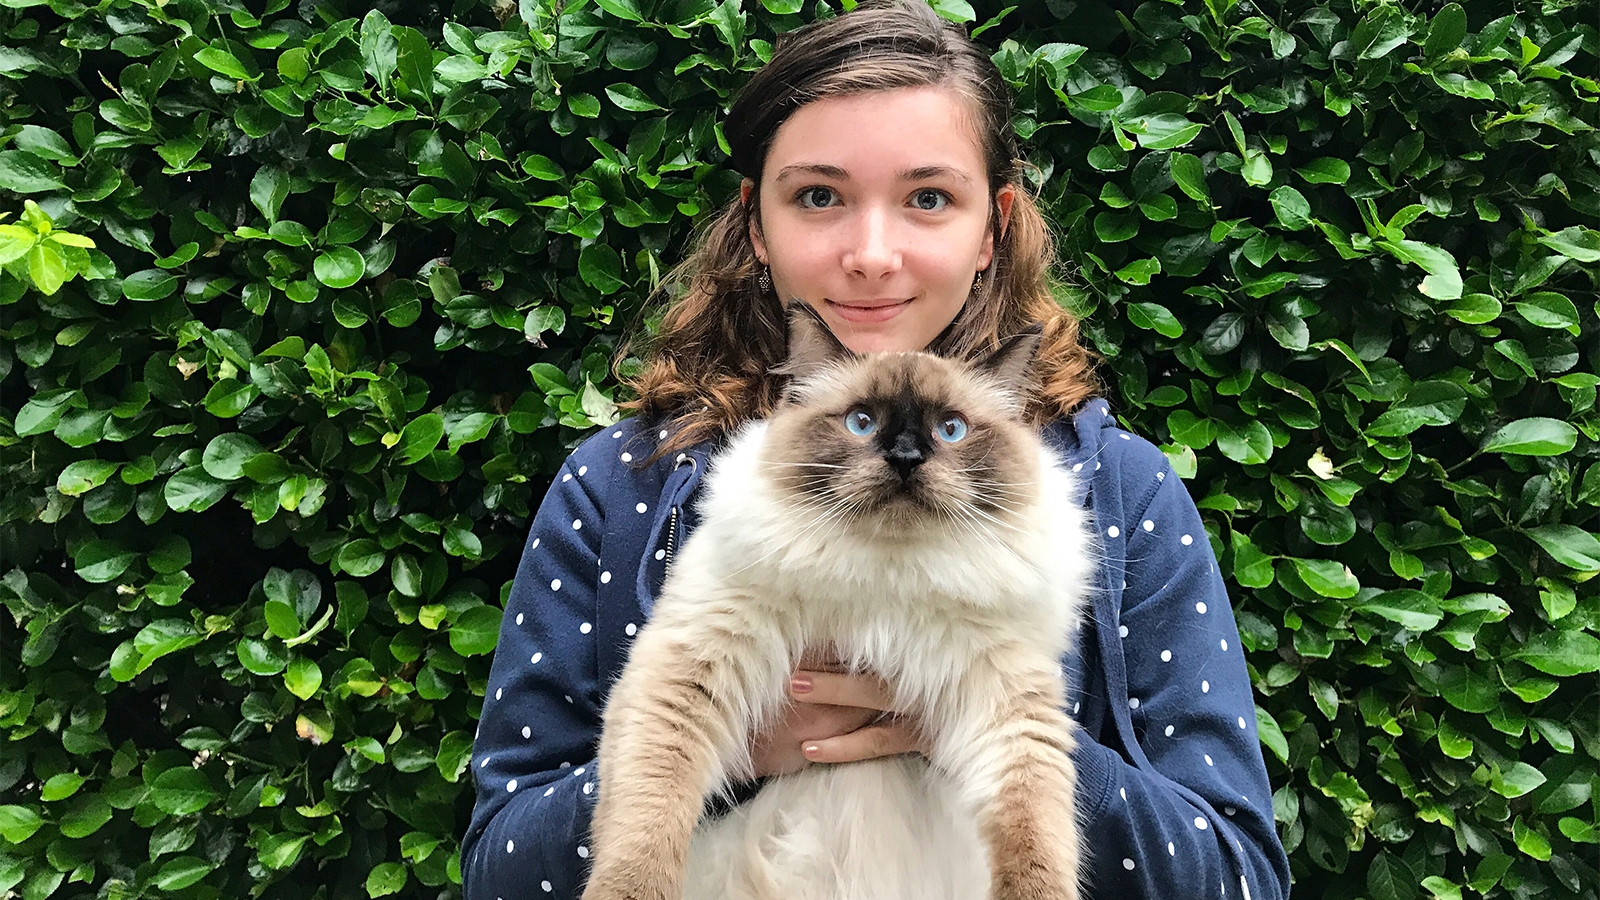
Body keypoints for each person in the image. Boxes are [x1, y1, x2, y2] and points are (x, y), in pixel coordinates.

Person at [461, 2, 1290, 897]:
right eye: (819, 195)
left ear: (993, 227)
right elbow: (499, 866)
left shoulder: (1117, 491)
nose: (872, 254)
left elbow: (1237, 874)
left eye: (928, 198)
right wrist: (736, 750)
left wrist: (984, 726)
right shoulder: (619, 488)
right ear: (756, 223)